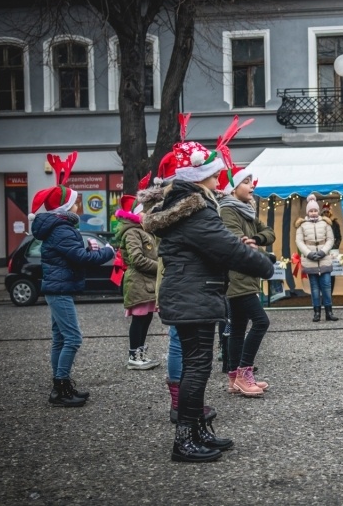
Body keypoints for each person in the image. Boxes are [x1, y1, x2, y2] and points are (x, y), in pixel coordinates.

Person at [143, 134, 275, 463]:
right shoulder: (197, 213)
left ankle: (198, 430)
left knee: (196, 366)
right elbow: (228, 248)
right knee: (197, 368)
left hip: (193, 294)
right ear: (197, 178)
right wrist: (265, 263)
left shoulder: (187, 209)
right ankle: (185, 440)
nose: (219, 180)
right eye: (214, 175)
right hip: (193, 296)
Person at [30, 157, 115, 407]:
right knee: (73, 338)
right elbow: (80, 258)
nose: (79, 206)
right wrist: (107, 252)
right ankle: (61, 388)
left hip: (57, 287)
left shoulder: (60, 229)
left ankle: (61, 386)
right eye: (76, 202)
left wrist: (86, 246)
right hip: (59, 289)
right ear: (66, 207)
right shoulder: (62, 229)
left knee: (60, 338)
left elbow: (73, 254)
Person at [218, 166, 276, 397]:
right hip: (237, 276)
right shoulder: (228, 211)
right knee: (261, 322)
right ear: (233, 189)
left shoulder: (247, 210)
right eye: (246, 182)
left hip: (246, 275)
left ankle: (233, 377)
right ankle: (244, 373)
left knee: (239, 328)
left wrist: (255, 239)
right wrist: (249, 245)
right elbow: (235, 243)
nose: (252, 186)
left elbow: (269, 233)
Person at [114, 189, 161, 370]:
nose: (148, 215)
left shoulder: (143, 230)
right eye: (145, 212)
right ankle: (134, 355)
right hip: (138, 283)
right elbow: (137, 259)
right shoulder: (133, 232)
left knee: (146, 319)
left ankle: (140, 353)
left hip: (147, 284)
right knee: (139, 320)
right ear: (135, 214)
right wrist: (160, 267)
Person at [296, 194, 338, 322]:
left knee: (326, 285)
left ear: (318, 211)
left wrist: (323, 251)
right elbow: (299, 241)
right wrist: (308, 253)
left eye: (315, 210)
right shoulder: (302, 225)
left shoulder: (325, 224)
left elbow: (330, 239)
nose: (313, 213)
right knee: (314, 287)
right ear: (308, 212)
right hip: (310, 259)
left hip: (324, 258)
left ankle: (329, 312)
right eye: (311, 211)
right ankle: (317, 312)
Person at [321, 202, 342, 293]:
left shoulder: (335, 224)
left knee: (332, 273)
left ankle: (330, 293)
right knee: (322, 272)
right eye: (325, 212)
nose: (326, 214)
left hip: (332, 251)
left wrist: (335, 246)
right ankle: (324, 293)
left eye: (328, 212)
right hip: (322, 250)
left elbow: (339, 237)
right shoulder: (319, 223)